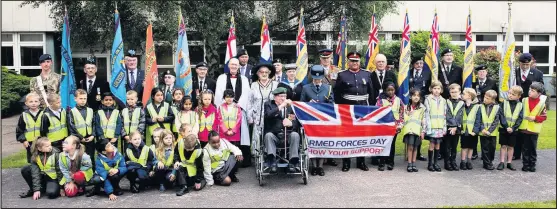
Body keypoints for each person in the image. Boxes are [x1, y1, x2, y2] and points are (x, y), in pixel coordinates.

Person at [333, 51, 374, 172]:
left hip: (362, 109)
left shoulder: (367, 74)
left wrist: (370, 109)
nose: (354, 63)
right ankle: (346, 162)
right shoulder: (342, 75)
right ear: (348, 63)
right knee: (347, 136)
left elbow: (371, 93)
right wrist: (342, 109)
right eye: (352, 61)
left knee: (361, 136)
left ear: (359, 62)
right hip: (347, 110)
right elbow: (337, 94)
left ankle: (361, 162)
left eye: (356, 61)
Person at [214, 58, 251, 165]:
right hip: (224, 110)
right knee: (224, 132)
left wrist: (237, 105)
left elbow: (246, 94)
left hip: (239, 109)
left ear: (239, 66)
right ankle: (224, 159)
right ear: (228, 66)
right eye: (232, 64)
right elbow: (219, 93)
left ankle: (242, 161)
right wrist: (225, 105)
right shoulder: (222, 78)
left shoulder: (243, 79)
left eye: (236, 64)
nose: (234, 66)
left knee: (242, 134)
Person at [300, 65, 334, 176]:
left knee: (322, 142)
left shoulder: (328, 88)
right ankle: (314, 166)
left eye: (319, 78)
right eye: (315, 78)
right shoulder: (306, 88)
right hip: (311, 120)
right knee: (312, 142)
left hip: (323, 119)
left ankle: (320, 166)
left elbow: (332, 104)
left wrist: (326, 104)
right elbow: (301, 103)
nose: (317, 80)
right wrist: (309, 103)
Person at [263, 87, 301, 173]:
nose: (283, 98)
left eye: (284, 96)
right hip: (274, 135)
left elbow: (297, 121)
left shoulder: (291, 107)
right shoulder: (268, 104)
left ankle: (293, 162)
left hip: (288, 135)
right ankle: (272, 161)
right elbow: (268, 115)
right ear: (275, 97)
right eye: (281, 96)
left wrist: (291, 123)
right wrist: (281, 106)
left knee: (295, 135)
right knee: (268, 136)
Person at [514, 53, 544, 161]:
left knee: (529, 131)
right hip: (517, 104)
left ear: (530, 63)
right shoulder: (514, 72)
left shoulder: (537, 73)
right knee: (517, 129)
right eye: (523, 64)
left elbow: (541, 90)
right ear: (519, 63)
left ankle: (528, 155)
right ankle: (516, 153)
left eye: (527, 64)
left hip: (531, 105)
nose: (525, 66)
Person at [248, 63, 279, 167]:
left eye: (266, 72)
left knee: (270, 135)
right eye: (262, 72)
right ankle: (259, 158)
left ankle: (270, 156)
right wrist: (250, 116)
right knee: (258, 136)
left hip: (272, 115)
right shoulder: (254, 85)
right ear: (258, 73)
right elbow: (250, 102)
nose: (264, 74)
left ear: (270, 73)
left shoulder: (275, 84)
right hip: (258, 116)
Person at [518, 82, 547, 172]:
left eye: (533, 90)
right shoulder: (524, 100)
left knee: (533, 148)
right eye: (530, 89)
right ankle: (525, 165)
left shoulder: (542, 103)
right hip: (524, 129)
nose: (530, 91)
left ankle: (532, 164)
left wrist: (534, 118)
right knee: (525, 148)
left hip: (534, 130)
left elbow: (544, 117)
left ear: (539, 94)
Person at [375, 82, 404, 171]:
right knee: (384, 144)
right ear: (385, 90)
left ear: (395, 90)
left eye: (392, 90)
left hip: (394, 127)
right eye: (388, 90)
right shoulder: (381, 100)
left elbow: (402, 113)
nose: (391, 92)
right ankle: (382, 162)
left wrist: (400, 124)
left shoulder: (399, 100)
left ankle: (391, 162)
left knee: (392, 145)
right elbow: (377, 112)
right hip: (384, 126)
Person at [408, 56, 430, 161]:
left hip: (422, 102)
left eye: (421, 63)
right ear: (413, 64)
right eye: (417, 63)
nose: (419, 65)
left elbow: (429, 87)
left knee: (420, 126)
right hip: (410, 102)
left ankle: (418, 152)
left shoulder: (427, 73)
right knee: (411, 127)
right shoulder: (408, 72)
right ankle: (409, 152)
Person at [497, 85, 524, 171]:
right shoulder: (503, 103)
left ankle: (509, 162)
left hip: (514, 130)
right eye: (509, 93)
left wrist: (513, 128)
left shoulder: (520, 105)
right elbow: (501, 116)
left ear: (519, 96)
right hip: (504, 129)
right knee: (503, 146)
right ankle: (501, 162)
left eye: (513, 94)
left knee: (511, 146)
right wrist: (506, 127)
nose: (510, 95)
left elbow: (520, 118)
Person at [67, 89, 96, 166]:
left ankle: (91, 173)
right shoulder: (72, 112)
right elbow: (71, 126)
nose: (83, 101)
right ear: (75, 99)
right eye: (81, 98)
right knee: (79, 157)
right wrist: (80, 137)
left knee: (90, 157)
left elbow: (94, 123)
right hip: (78, 139)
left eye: (85, 98)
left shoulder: (90, 110)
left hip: (90, 138)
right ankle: (79, 175)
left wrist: (93, 135)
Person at [401, 89, 426, 172]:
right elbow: (403, 120)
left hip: (417, 131)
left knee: (415, 147)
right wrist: (408, 114)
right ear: (410, 97)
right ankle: (409, 164)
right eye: (414, 95)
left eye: (418, 96)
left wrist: (423, 131)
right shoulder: (406, 107)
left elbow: (423, 120)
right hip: (409, 130)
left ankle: (413, 163)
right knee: (410, 147)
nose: (416, 97)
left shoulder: (422, 108)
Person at [423, 81, 447, 172]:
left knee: (438, 145)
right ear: (431, 89)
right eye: (435, 88)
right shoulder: (428, 99)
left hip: (440, 126)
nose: (436, 90)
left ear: (441, 90)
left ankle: (436, 163)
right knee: (432, 145)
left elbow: (444, 115)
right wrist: (427, 127)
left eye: (438, 89)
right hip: (432, 126)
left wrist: (444, 127)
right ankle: (430, 163)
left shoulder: (443, 100)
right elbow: (427, 114)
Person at [16, 93, 44, 163]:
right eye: (31, 102)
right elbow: (20, 129)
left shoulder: (43, 113)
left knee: (43, 158)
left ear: (39, 102)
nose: (33, 103)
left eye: (36, 101)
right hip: (30, 142)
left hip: (42, 141)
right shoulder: (24, 115)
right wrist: (24, 140)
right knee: (33, 160)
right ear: (26, 103)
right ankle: (34, 172)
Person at [444, 84, 464, 171]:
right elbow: (447, 115)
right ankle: (447, 162)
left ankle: (453, 161)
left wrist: (455, 126)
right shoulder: (446, 102)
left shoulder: (462, 103)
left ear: (459, 92)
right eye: (452, 92)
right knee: (447, 146)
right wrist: (452, 126)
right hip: (448, 127)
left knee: (454, 146)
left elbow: (461, 116)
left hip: (457, 128)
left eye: (455, 92)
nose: (454, 94)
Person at [460, 88, 481, 170]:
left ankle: (469, 161)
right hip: (464, 130)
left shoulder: (477, 106)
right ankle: (463, 162)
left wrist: (475, 131)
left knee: (471, 147)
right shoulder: (462, 105)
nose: (462, 95)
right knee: (464, 147)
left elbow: (478, 120)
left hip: (472, 131)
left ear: (469, 96)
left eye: (463, 94)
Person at [153, 129, 178, 193]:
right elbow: (154, 160)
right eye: (166, 138)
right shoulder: (158, 149)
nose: (169, 140)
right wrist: (158, 162)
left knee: (169, 179)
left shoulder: (175, 149)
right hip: (161, 169)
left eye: (170, 138)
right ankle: (161, 184)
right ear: (162, 140)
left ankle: (170, 182)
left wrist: (174, 173)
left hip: (171, 169)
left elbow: (176, 163)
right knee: (159, 167)